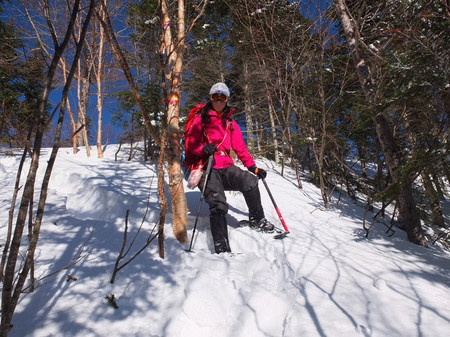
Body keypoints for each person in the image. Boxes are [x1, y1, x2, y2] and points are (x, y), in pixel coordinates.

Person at [185, 82, 275, 254]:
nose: (219, 100)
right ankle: (222, 248)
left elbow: (240, 148)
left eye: (222, 97)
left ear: (227, 99)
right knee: (218, 203)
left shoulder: (230, 123)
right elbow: (191, 144)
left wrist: (253, 168)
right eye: (215, 96)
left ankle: (257, 220)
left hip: (225, 166)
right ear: (211, 98)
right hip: (206, 166)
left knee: (250, 181)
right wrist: (202, 149)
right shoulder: (200, 119)